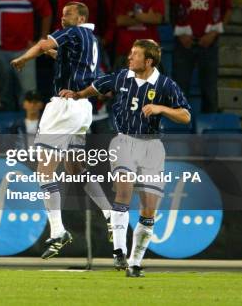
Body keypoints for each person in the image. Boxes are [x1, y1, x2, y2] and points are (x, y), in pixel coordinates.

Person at [59, 39, 191, 277]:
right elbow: (96, 88)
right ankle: (118, 251)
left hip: (152, 147)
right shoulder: (122, 77)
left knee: (149, 209)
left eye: (135, 55)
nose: (130, 58)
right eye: (130, 53)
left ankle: (134, 263)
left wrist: (162, 109)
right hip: (123, 141)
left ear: (148, 61)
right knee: (124, 192)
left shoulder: (165, 85)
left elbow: (185, 115)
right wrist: (77, 95)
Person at [11, 1, 111, 258]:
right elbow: (75, 62)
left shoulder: (74, 31)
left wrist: (24, 57)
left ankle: (57, 230)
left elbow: (44, 44)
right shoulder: (91, 38)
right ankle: (112, 215)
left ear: (80, 18)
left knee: (44, 169)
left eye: (67, 14)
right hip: (82, 107)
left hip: (65, 105)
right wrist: (56, 54)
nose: (62, 18)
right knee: (74, 167)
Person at [170, 0, 232, 113]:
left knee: (210, 92)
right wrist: (181, 35)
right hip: (184, 43)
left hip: (209, 43)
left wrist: (214, 33)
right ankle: (179, 135)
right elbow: (173, 9)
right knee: (180, 90)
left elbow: (227, 10)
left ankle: (209, 135)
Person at [114, 0, 164, 70]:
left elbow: (157, 19)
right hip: (126, 51)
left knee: (151, 88)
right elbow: (120, 20)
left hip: (150, 53)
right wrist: (146, 16)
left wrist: (132, 15)